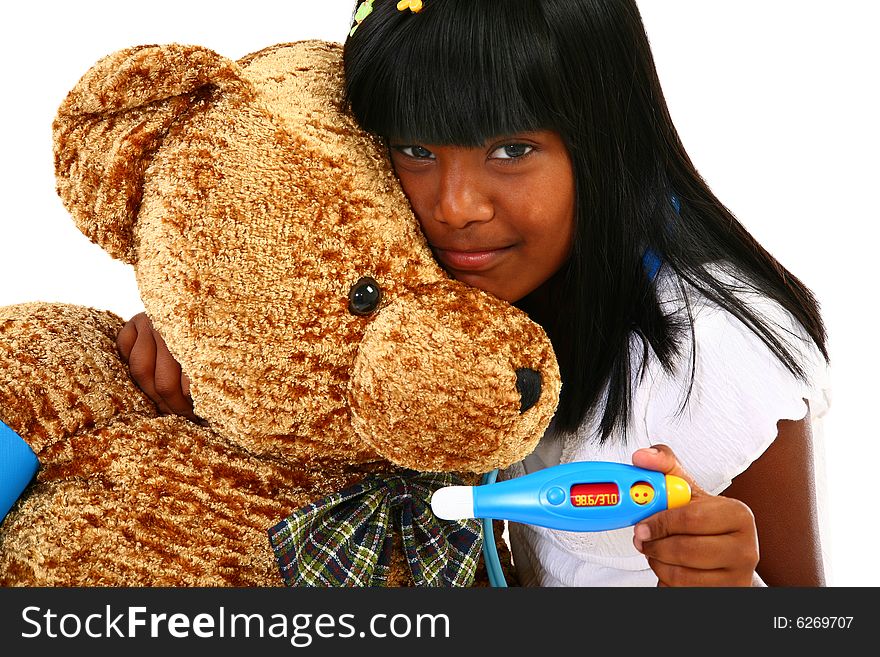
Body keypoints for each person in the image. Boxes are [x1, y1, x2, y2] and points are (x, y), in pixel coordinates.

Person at [116, 0, 831, 587]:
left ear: (608, 141)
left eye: (511, 151)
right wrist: (209, 349)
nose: (454, 205)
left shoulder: (722, 355)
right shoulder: (427, 272)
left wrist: (734, 596)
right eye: (416, 150)